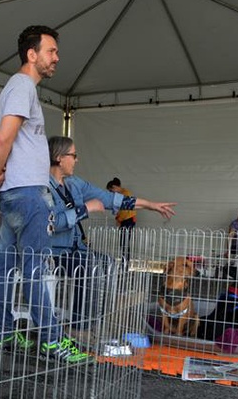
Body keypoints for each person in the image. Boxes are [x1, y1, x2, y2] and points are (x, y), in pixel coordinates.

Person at [0, 25, 89, 362]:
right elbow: (4, 139)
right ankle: (53, 340)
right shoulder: (22, 86)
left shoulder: (21, 89)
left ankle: (1, 333)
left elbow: (14, 144)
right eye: (51, 51)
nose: (56, 57)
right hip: (27, 195)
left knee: (6, 268)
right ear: (32, 54)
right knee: (35, 268)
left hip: (17, 192)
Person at [48, 137, 176, 330]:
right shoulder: (42, 186)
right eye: (73, 155)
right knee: (90, 266)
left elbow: (110, 198)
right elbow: (51, 224)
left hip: (76, 249)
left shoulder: (74, 183)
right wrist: (85, 209)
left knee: (108, 262)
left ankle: (100, 315)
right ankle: (79, 327)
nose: (77, 160)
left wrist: (150, 205)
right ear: (59, 157)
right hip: (52, 252)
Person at [107, 177, 136, 259]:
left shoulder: (126, 193)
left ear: (114, 187)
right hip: (124, 220)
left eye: (111, 191)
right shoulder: (120, 194)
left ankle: (125, 263)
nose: (111, 193)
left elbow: (125, 209)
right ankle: (124, 261)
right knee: (123, 243)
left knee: (125, 243)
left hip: (129, 220)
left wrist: (119, 220)